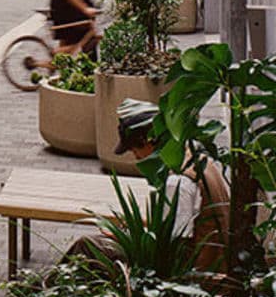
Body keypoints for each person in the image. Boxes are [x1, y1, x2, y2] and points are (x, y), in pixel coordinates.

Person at [95, 99, 230, 272]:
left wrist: (125, 239)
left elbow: (171, 247)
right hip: (213, 263)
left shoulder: (177, 182)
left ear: (149, 141)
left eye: (134, 149)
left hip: (197, 276)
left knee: (89, 245)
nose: (135, 156)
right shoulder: (197, 157)